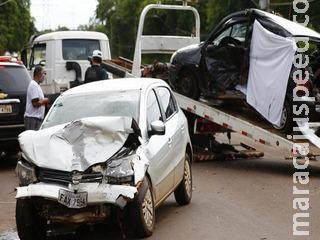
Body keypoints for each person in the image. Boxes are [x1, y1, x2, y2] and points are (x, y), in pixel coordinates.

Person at [24, 65, 49, 130]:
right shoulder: (33, 85)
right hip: (32, 119)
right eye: (44, 73)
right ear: (39, 74)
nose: (45, 76)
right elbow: (35, 103)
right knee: (31, 139)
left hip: (37, 119)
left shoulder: (37, 85)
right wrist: (45, 100)